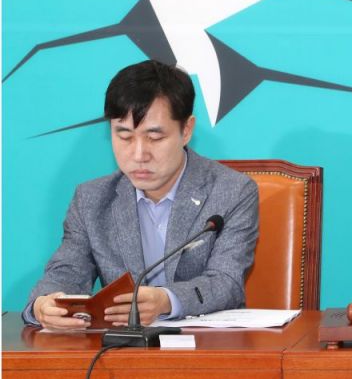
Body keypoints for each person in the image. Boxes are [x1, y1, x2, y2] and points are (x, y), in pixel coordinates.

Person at [23, 60, 259, 330]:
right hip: (120, 349)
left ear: (186, 130)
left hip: (205, 347)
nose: (138, 155)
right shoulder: (91, 200)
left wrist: (167, 300)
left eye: (154, 138)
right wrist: (43, 304)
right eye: (124, 136)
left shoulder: (232, 191)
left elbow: (226, 281)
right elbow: (67, 271)